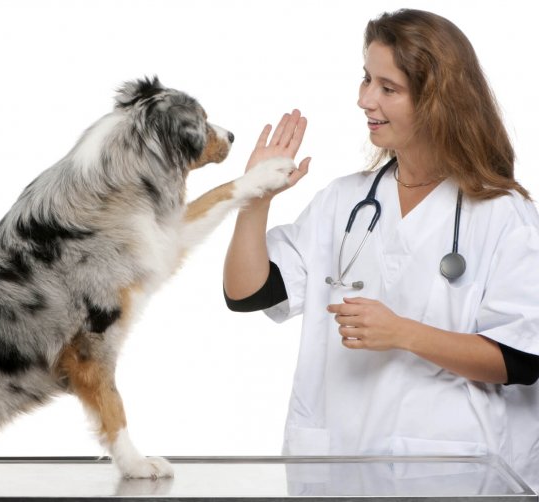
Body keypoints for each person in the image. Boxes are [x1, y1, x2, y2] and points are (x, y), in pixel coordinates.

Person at [223, 9, 539, 488]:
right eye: (366, 79)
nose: (364, 99)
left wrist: (402, 333)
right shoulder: (345, 201)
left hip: (456, 472)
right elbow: (248, 293)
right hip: (343, 465)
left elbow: (521, 360)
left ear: (439, 102)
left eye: (387, 88)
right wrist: (254, 199)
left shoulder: (501, 213)